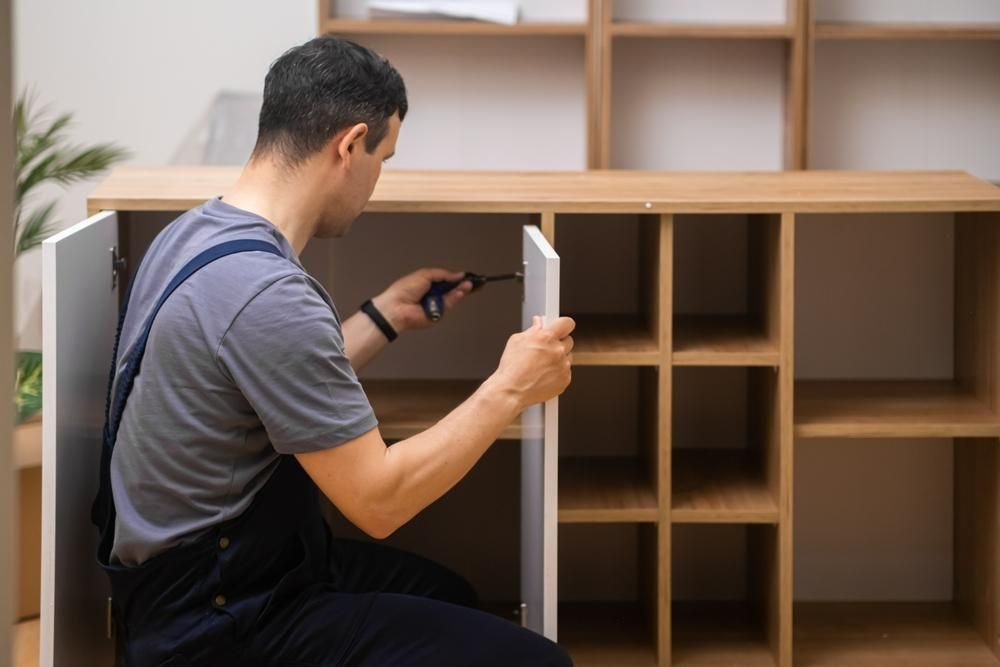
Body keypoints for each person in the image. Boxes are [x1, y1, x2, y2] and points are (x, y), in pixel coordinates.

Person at [92, 35, 575, 666]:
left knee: (449, 594)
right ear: (349, 145)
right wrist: (510, 386)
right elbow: (381, 501)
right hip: (219, 622)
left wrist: (381, 318)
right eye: (385, 157)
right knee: (543, 663)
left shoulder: (193, 235)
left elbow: (269, 377)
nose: (380, 179)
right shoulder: (269, 293)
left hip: (189, 588)